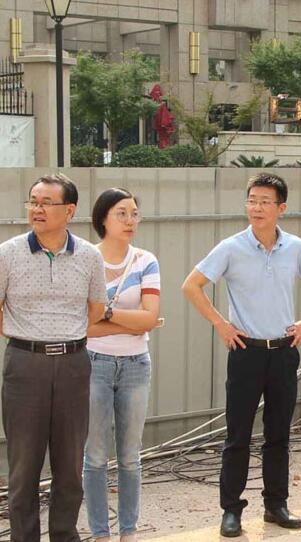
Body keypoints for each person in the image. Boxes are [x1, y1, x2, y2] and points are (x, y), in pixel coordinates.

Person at [182, 173, 301, 536]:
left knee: (278, 434)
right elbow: (192, 286)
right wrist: (221, 324)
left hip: (283, 352)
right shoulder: (231, 247)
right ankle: (231, 510)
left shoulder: (294, 247)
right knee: (238, 436)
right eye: (252, 200)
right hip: (245, 353)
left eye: (265, 201)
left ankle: (275, 505)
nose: (257, 208)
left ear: (282, 208)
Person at [0, 174, 107, 541]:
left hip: (74, 364)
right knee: (23, 466)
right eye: (33, 201)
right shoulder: (8, 253)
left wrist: (64, 335)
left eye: (46, 202)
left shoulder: (89, 256)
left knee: (69, 464)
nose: (37, 209)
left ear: (69, 210)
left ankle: (64, 534)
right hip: (24, 363)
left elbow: (95, 309)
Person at [84, 188, 161, 542]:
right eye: (121, 213)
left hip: (135, 365)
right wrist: (131, 322)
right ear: (103, 218)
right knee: (95, 455)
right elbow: (83, 325)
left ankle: (128, 531)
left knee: (130, 456)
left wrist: (108, 314)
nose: (130, 220)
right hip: (93, 362)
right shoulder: (87, 260)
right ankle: (100, 533)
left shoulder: (146, 261)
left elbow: (150, 319)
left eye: (134, 213)